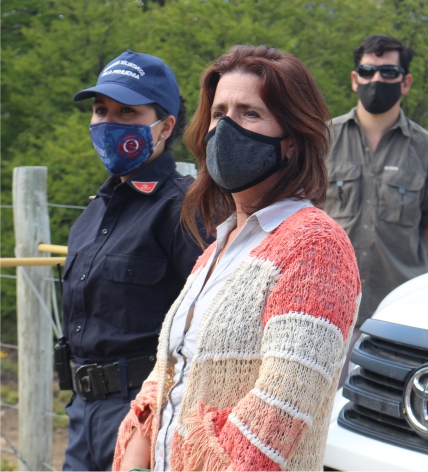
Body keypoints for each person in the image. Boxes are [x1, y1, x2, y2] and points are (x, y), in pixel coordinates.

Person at [113, 44, 361, 471]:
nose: (226, 128)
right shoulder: (217, 249)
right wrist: (137, 449)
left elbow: (279, 411)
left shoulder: (315, 246)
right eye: (218, 113)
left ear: (291, 140)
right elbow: (169, 373)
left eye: (249, 113)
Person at [61, 50, 207, 471]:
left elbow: (206, 331)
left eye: (127, 112)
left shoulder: (184, 210)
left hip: (146, 418)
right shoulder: (91, 215)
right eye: (100, 110)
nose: (108, 122)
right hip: (82, 414)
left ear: (164, 127)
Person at [325, 35, 428, 375]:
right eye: (367, 71)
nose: (376, 80)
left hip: (398, 313)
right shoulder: (322, 141)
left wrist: (396, 255)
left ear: (406, 82)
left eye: (388, 72)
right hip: (327, 308)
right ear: (355, 80)